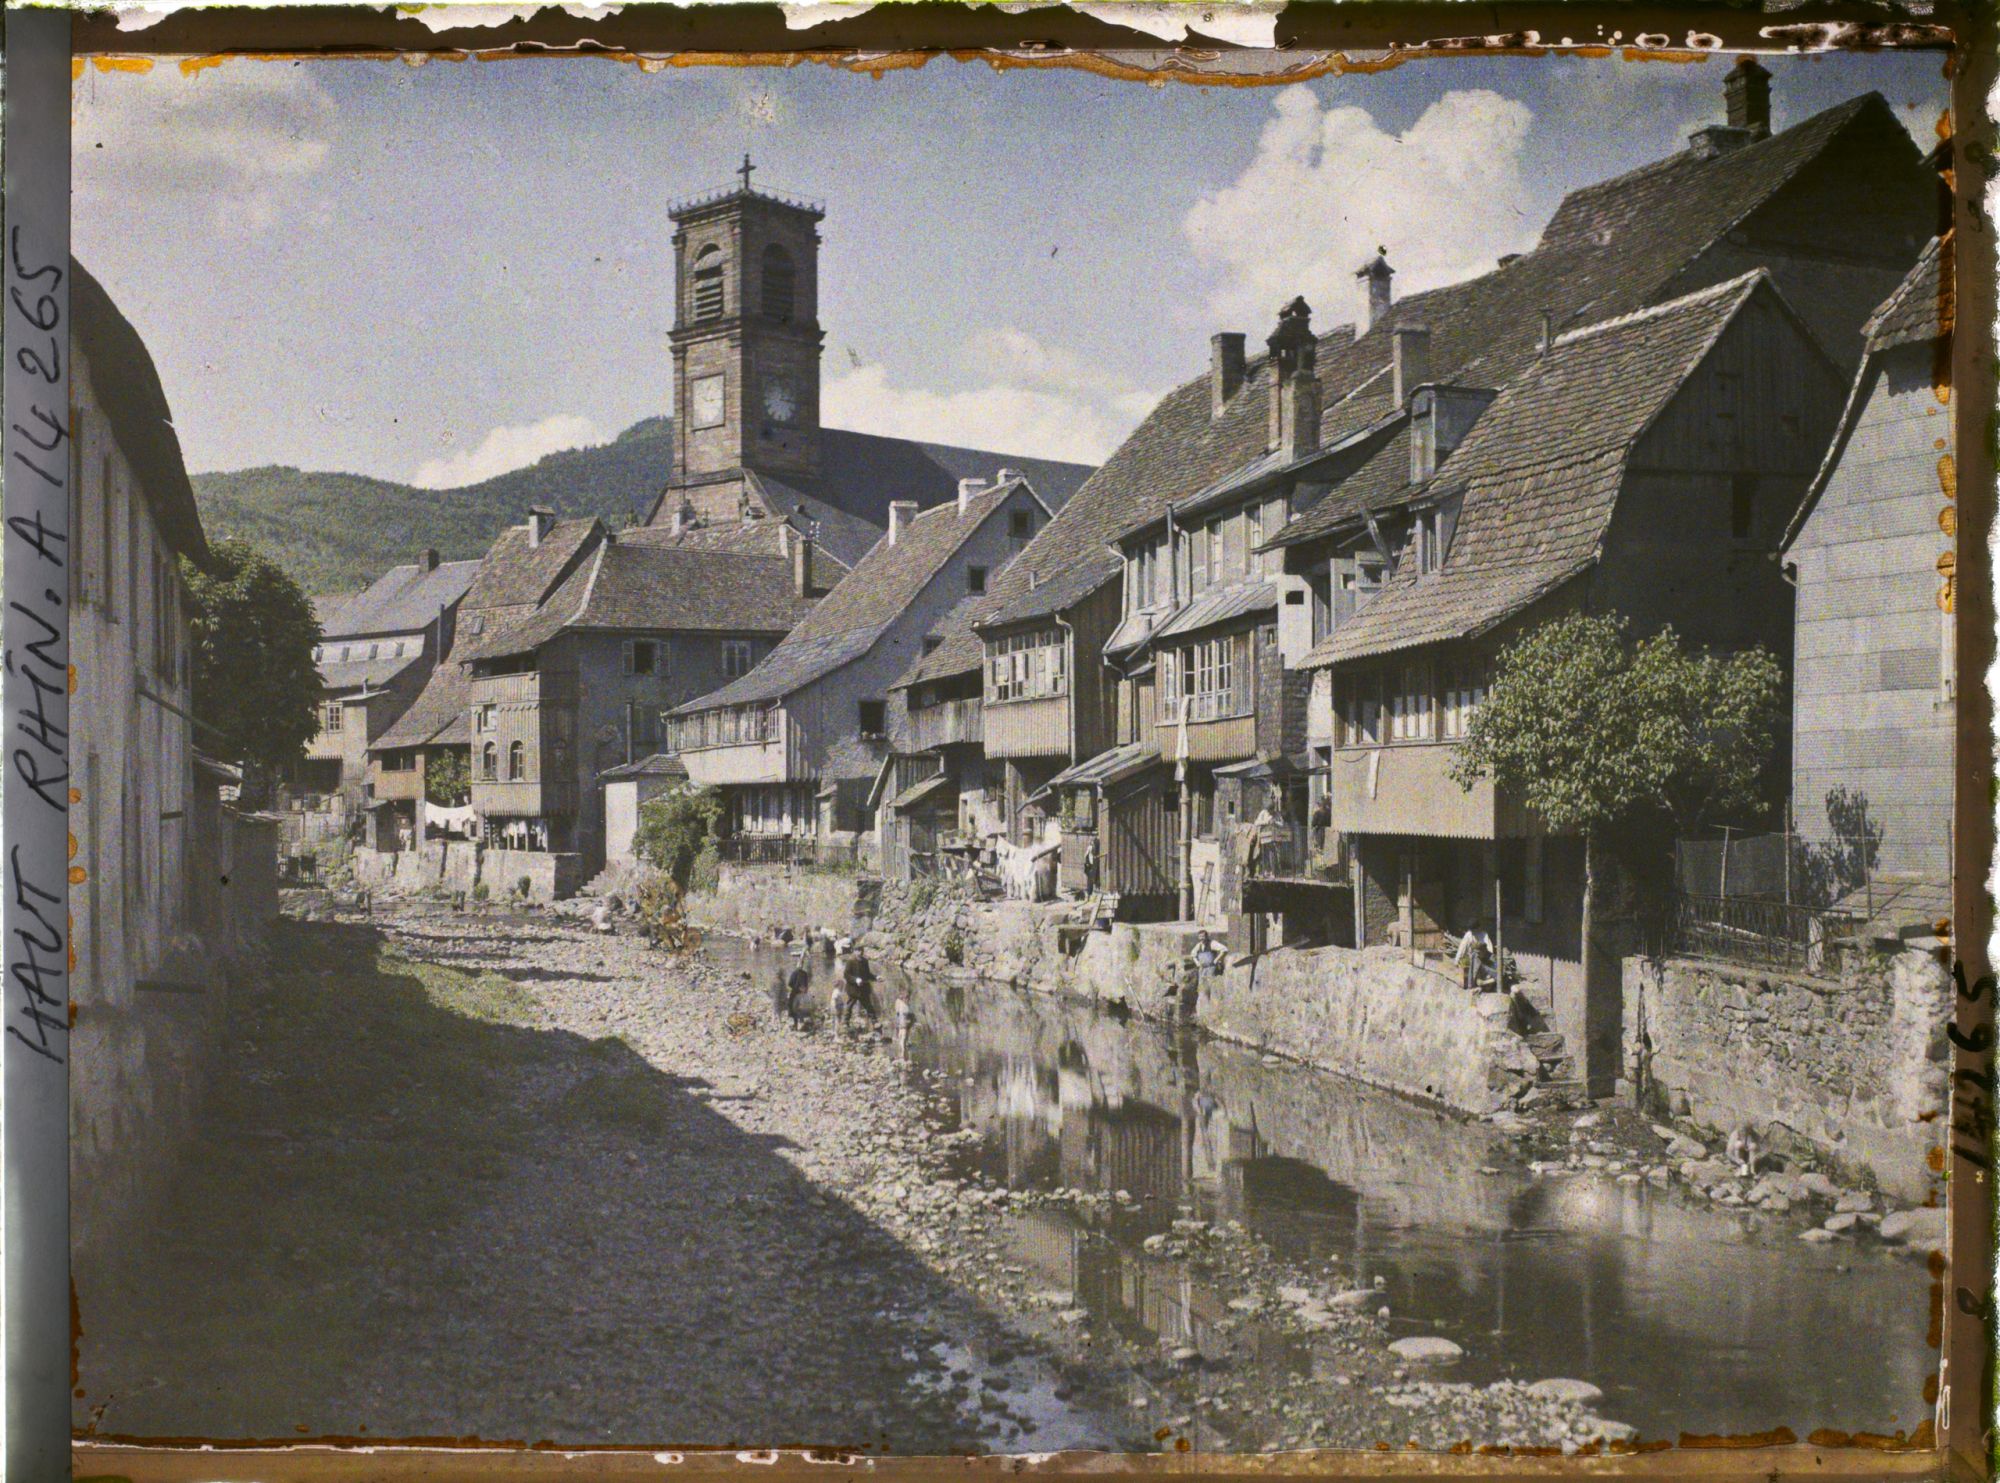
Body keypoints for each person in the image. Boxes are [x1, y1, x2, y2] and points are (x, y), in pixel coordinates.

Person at [1454, 919, 1495, 994]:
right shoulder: (1469, 935)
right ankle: (1472, 984)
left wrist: (1488, 958)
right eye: (1472, 930)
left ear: (1478, 928)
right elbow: (1462, 948)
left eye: (1475, 929)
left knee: (1486, 972)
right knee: (1473, 961)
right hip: (1473, 957)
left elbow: (1489, 949)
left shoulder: (1484, 934)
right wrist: (1457, 959)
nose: (1473, 931)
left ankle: (1484, 984)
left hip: (1484, 957)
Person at [843, 947, 879, 1027]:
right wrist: (855, 980)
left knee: (868, 1005)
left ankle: (875, 1022)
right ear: (854, 951)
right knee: (849, 1006)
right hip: (853, 989)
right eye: (858, 950)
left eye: (861, 950)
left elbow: (868, 974)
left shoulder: (865, 961)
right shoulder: (850, 961)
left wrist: (876, 978)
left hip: (863, 989)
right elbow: (846, 975)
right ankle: (845, 1022)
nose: (860, 952)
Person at [785, 952, 813, 1029]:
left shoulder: (794, 973)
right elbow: (807, 985)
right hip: (802, 994)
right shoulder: (805, 974)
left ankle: (795, 1024)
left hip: (795, 993)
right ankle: (801, 1023)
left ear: (797, 965)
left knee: (794, 1009)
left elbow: (790, 984)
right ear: (802, 965)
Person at [894, 992, 915, 1058]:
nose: (907, 1000)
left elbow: (899, 1015)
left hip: (904, 1026)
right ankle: (903, 1056)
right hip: (904, 1025)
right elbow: (905, 1016)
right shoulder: (904, 1006)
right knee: (903, 1040)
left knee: (903, 1040)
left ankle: (902, 1055)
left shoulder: (903, 1005)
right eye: (906, 998)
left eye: (908, 999)